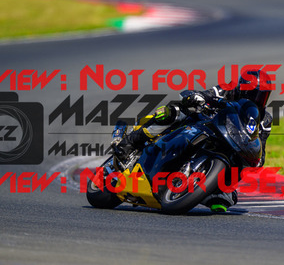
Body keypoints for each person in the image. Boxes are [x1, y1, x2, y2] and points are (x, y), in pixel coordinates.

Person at [112, 69, 274, 210]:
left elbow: (261, 146)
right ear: (242, 88)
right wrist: (197, 97)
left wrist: (257, 158)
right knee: (172, 112)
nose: (257, 99)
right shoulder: (226, 90)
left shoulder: (265, 120)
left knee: (240, 167)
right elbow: (205, 95)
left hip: (230, 142)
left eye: (262, 96)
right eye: (254, 93)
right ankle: (130, 142)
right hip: (204, 124)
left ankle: (217, 188)